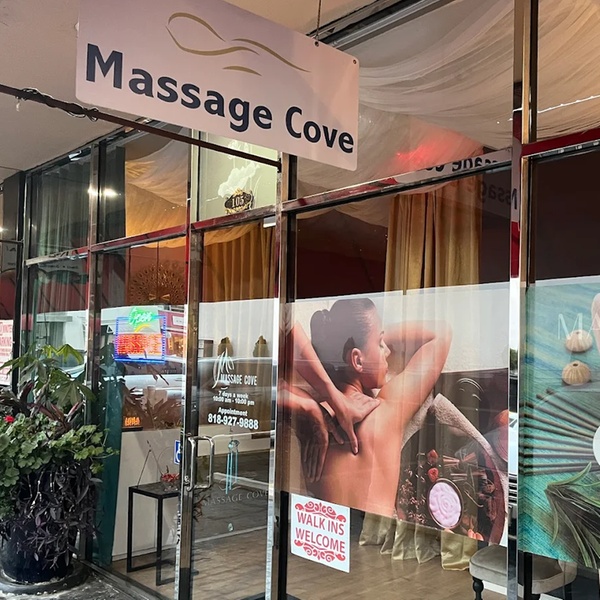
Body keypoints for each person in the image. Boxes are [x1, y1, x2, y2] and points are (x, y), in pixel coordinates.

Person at [283, 297, 452, 518]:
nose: (387, 351)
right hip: (374, 539)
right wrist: (363, 337)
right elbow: (440, 333)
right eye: (380, 343)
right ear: (357, 360)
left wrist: (309, 407)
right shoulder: (384, 412)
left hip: (325, 536)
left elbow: (265, 388)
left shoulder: (313, 427)